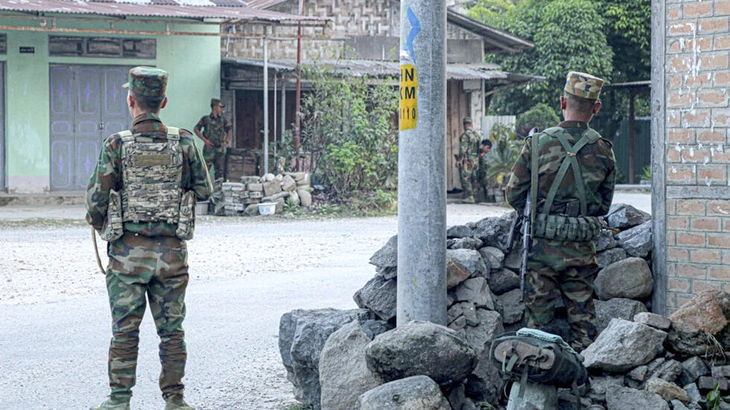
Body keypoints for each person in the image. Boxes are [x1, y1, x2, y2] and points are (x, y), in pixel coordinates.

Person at [86, 67, 213, 410]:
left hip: (127, 256)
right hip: (172, 254)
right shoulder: (184, 141)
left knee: (125, 331)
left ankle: (119, 401)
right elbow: (204, 190)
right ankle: (175, 400)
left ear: (131, 101)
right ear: (164, 101)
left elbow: (96, 202)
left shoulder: (115, 145)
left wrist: (103, 226)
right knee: (172, 330)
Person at [505, 71, 616, 352]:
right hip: (581, 251)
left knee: (535, 328)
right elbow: (603, 207)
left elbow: (514, 195)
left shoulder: (537, 144)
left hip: (541, 250)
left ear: (562, 103)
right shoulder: (604, 150)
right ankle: (585, 379)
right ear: (596, 108)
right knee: (583, 324)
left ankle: (535, 382)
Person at [194, 98, 232, 181]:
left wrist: (226, 141)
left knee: (220, 173)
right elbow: (196, 129)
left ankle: (218, 191)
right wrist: (205, 140)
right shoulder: (206, 119)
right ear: (215, 107)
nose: (221, 109)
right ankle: (203, 189)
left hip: (219, 149)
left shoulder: (222, 120)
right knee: (204, 172)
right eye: (220, 107)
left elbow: (229, 130)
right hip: (209, 149)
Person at [455, 116, 481, 203]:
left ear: (464, 125)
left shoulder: (465, 135)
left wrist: (459, 160)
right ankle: (474, 195)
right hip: (475, 159)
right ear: (471, 124)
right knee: (474, 177)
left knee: (465, 178)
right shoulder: (477, 135)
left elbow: (463, 149)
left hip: (467, 160)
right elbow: (479, 149)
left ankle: (469, 196)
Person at [476, 138, 493, 202]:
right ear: (483, 146)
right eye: (487, 148)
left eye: (489, 149)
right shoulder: (477, 152)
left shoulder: (482, 154)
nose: (488, 150)